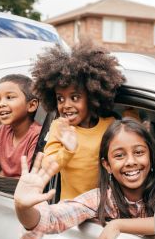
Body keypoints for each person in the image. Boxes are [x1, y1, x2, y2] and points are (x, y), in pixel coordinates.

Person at [14, 118, 155, 239]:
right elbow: (51, 220)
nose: (131, 161)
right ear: (107, 165)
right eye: (119, 155)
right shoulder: (102, 198)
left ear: (150, 155)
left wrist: (117, 225)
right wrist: (23, 208)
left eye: (139, 152)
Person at [31, 41, 126, 199]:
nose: (66, 105)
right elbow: (47, 166)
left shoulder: (109, 125)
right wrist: (67, 150)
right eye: (60, 99)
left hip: (104, 208)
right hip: (71, 210)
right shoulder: (60, 127)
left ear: (92, 96)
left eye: (74, 97)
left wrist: (134, 116)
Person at [0, 74, 41, 178]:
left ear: (31, 105)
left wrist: (3, 176)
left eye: (9, 97)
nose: (1, 104)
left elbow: (28, 179)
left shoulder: (37, 136)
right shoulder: (3, 132)